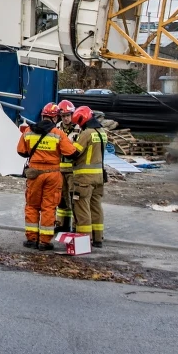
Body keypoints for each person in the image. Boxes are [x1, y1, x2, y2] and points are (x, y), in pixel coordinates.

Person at [16, 102, 77, 250]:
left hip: (34, 174)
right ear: (55, 118)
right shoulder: (58, 134)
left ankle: (31, 239)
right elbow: (71, 153)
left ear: (42, 115)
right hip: (52, 174)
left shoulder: (29, 131)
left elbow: (21, 152)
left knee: (32, 205)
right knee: (48, 207)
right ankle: (44, 241)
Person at [70, 105, 108, 247]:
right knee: (96, 207)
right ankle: (98, 238)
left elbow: (74, 152)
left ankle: (84, 241)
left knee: (82, 208)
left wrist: (68, 144)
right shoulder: (102, 132)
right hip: (99, 178)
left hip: (84, 179)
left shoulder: (86, 133)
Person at [55, 99, 77, 234]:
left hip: (73, 169)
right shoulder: (57, 128)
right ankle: (62, 224)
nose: (66, 118)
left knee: (74, 198)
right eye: (63, 116)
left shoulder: (79, 129)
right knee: (61, 198)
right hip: (60, 168)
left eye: (68, 115)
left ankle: (75, 225)